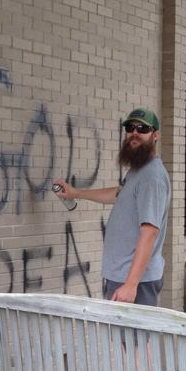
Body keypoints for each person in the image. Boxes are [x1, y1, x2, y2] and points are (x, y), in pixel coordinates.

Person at [53, 107, 171, 305]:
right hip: (124, 276)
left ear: (155, 135)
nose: (135, 132)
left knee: (130, 337)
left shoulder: (152, 178)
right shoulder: (138, 171)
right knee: (122, 337)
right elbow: (117, 193)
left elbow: (150, 232)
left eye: (142, 129)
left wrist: (131, 285)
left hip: (136, 281)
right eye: (130, 127)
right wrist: (76, 193)